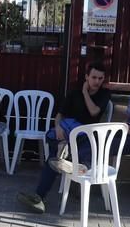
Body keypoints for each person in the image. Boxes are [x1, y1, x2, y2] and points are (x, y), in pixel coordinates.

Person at [17, 62, 111, 214]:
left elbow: (94, 112)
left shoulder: (104, 94)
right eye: (93, 77)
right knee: (54, 145)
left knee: (57, 157)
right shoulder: (73, 94)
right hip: (68, 132)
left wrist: (85, 92)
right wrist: (59, 127)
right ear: (87, 77)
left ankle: (41, 194)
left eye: (100, 78)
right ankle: (67, 158)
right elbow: (60, 115)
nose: (97, 81)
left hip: (87, 135)